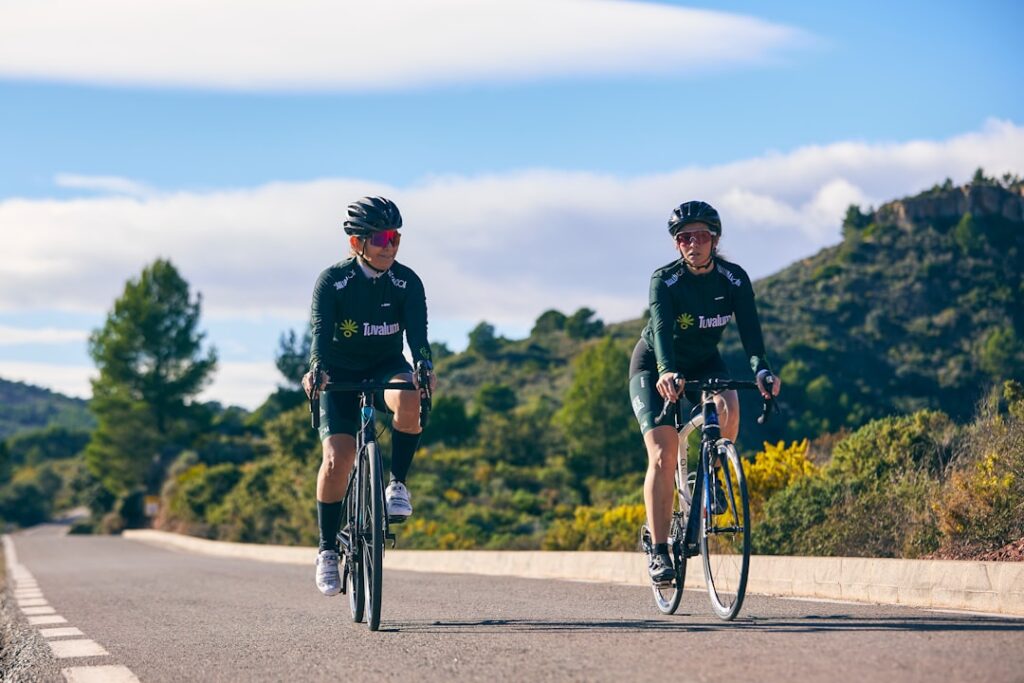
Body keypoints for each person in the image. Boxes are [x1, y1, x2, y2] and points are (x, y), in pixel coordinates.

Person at [628, 200, 781, 583]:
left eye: (699, 236)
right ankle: (660, 551)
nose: (691, 244)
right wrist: (666, 372)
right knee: (664, 454)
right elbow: (661, 330)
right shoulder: (665, 280)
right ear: (677, 245)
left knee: (729, 408)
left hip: (705, 361)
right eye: (683, 238)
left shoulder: (733, 279)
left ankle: (709, 474)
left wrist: (761, 369)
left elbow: (751, 335)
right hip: (655, 366)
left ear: (714, 239)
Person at [302, 196, 435, 597]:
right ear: (356, 243)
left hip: (384, 369)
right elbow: (320, 335)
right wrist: (316, 370)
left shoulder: (407, 282)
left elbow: (418, 338)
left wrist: (425, 366)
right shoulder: (333, 281)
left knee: (410, 393)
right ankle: (327, 549)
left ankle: (397, 484)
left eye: (395, 236)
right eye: (380, 237)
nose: (390, 245)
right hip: (339, 374)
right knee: (336, 459)